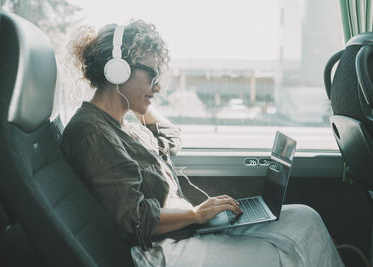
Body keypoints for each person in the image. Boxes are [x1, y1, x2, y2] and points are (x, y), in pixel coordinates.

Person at [62, 20, 344, 267]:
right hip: (158, 250)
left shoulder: (126, 125)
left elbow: (171, 137)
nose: (158, 87)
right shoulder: (91, 133)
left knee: (306, 220)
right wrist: (197, 214)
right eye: (153, 75)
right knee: (282, 256)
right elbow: (136, 220)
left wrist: (139, 97)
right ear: (118, 71)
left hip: (182, 231)